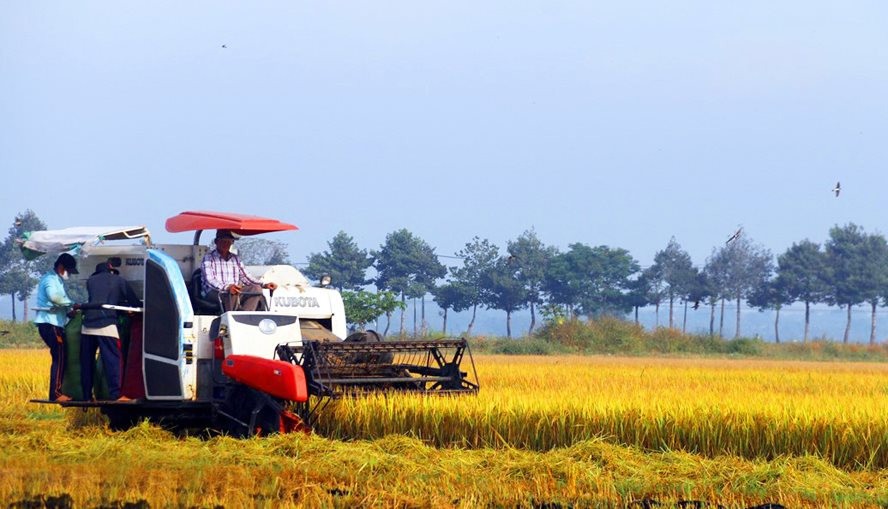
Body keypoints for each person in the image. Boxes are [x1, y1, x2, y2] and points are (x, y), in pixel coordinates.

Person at [77, 261, 142, 401]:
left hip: (87, 325)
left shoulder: (90, 281)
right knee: (113, 361)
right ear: (111, 270)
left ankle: (87, 396)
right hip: (106, 325)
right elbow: (134, 301)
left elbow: (97, 298)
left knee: (87, 362)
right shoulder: (119, 280)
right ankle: (115, 394)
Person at [34, 253, 78, 402]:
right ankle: (56, 394)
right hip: (49, 324)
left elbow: (62, 304)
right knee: (59, 356)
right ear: (61, 267)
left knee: (61, 355)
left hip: (56, 324)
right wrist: (72, 304)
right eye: (69, 271)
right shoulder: (49, 280)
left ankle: (58, 391)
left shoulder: (58, 281)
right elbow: (54, 298)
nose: (69, 275)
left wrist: (70, 312)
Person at [201, 230, 277, 311]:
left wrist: (264, 284)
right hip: (214, 292)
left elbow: (247, 277)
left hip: (233, 291)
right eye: (223, 241)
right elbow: (210, 280)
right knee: (232, 292)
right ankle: (231, 318)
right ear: (216, 242)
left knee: (256, 289)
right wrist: (227, 287)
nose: (226, 244)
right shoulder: (208, 257)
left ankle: (246, 316)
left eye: (229, 241)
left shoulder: (235, 258)